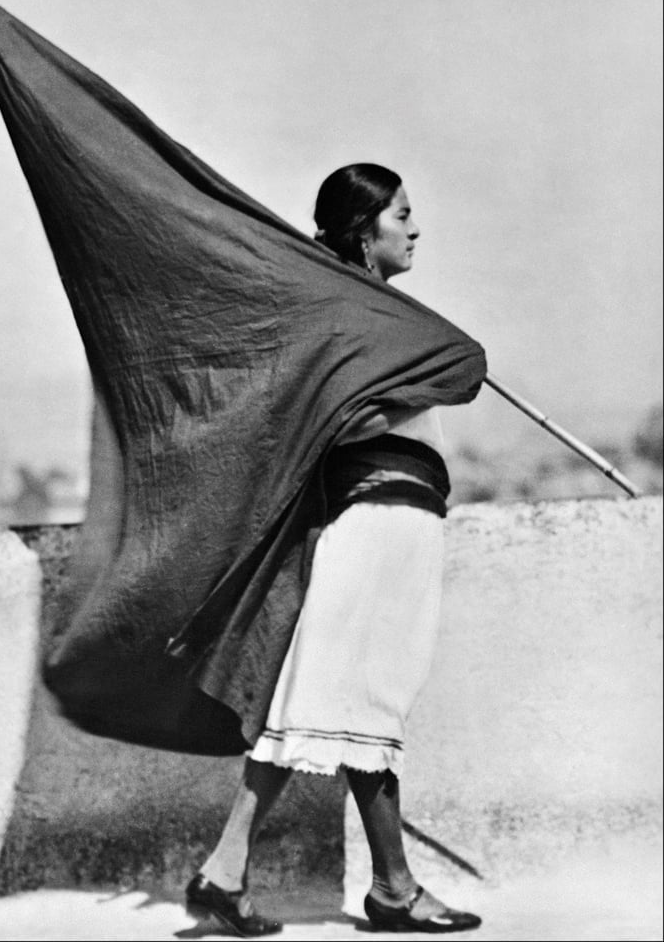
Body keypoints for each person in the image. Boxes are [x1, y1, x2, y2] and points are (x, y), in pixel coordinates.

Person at [185, 164, 483, 937]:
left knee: (329, 704)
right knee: (353, 701)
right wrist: (419, 376)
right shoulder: (342, 317)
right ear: (363, 229)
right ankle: (388, 890)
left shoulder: (376, 315)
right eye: (402, 215)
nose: (415, 229)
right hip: (375, 521)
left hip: (395, 519)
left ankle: (237, 872)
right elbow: (326, 419)